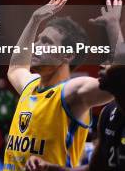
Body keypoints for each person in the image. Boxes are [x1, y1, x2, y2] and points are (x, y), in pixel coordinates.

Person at [5, 0, 123, 170]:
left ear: (67, 55)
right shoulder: (31, 85)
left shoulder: (73, 91)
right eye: (38, 39)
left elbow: (119, 81)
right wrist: (34, 20)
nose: (36, 46)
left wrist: (113, 24)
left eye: (46, 42)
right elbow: (15, 67)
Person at [25, 43, 125, 171]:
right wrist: (49, 168)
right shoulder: (107, 113)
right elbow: (93, 169)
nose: (102, 65)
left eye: (112, 61)